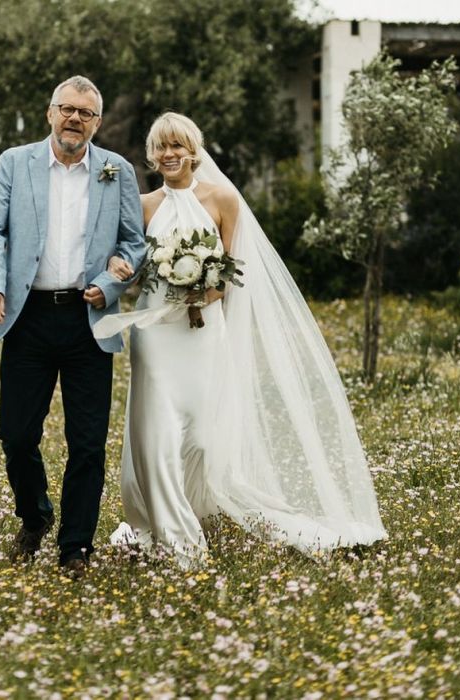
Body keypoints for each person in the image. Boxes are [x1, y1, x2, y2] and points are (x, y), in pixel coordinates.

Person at [95, 113, 387, 568]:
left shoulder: (223, 199)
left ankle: (193, 506)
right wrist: (117, 277)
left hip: (203, 330)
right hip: (155, 332)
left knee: (205, 440)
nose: (169, 154)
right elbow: (130, 267)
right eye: (161, 147)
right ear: (152, 155)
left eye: (178, 145)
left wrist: (203, 291)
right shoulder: (144, 204)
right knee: (157, 436)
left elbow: (232, 271)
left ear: (193, 149)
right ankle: (178, 542)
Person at [0, 75, 146, 578]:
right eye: (66, 109)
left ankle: (76, 548)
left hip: (88, 319)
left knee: (87, 442)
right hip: (27, 318)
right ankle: (35, 516)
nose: (74, 119)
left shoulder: (118, 171)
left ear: (97, 121)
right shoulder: (15, 162)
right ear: (50, 113)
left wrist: (110, 285)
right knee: (16, 436)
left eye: (85, 113)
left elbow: (135, 245)